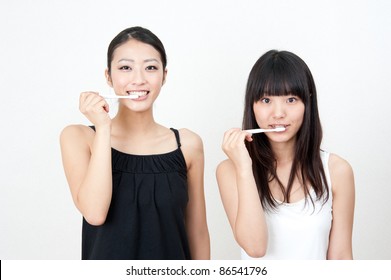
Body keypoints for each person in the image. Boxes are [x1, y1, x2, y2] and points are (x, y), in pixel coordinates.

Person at [60, 26, 210, 260]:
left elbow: (198, 232)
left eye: (150, 67)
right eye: (125, 68)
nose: (139, 79)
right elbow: (94, 213)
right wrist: (104, 127)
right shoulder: (79, 137)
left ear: (165, 75)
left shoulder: (188, 145)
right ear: (108, 76)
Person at [216, 50, 355, 260]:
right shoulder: (230, 170)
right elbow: (255, 247)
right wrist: (244, 167)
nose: (278, 113)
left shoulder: (337, 170)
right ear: (251, 105)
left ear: (307, 103)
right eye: (265, 100)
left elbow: (341, 257)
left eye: (291, 99)